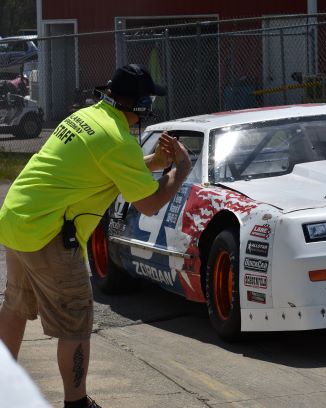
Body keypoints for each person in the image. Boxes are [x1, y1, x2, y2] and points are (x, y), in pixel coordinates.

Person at [0, 64, 192, 408]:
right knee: (75, 321)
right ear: (140, 104)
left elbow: (109, 162)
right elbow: (149, 203)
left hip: (16, 217)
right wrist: (179, 171)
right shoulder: (116, 138)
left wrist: (153, 160)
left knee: (15, 306)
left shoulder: (90, 116)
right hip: (50, 234)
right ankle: (77, 404)